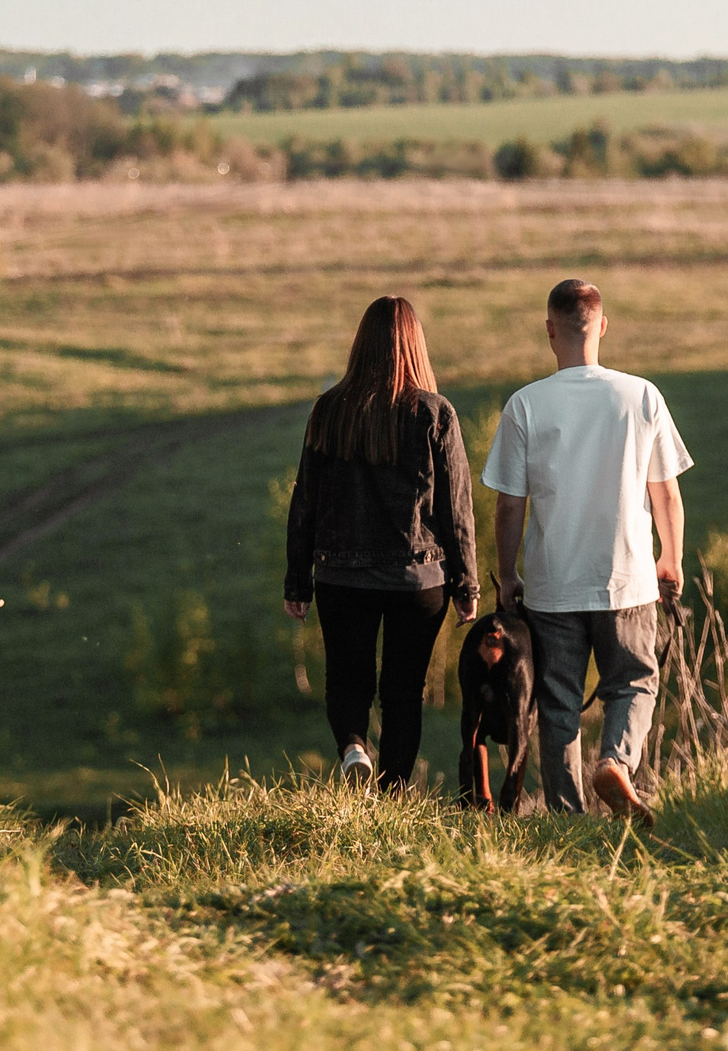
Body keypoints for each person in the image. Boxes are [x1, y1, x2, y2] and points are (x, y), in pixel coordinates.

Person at [484, 278, 690, 823]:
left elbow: (509, 505)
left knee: (558, 701)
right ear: (602, 325)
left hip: (553, 584)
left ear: (550, 330)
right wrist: (670, 557)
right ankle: (617, 761)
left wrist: (507, 576)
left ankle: (568, 818)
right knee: (635, 680)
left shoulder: (525, 405)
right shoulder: (641, 395)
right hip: (627, 578)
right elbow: (665, 490)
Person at [282, 296, 479, 787]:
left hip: (340, 574)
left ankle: (353, 749)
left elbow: (305, 498)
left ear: (360, 345)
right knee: (403, 691)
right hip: (419, 578)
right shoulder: (436, 413)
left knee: (346, 680)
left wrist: (297, 581)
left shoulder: (329, 410)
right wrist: (466, 583)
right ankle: (391, 796)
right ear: (416, 346)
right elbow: (456, 508)